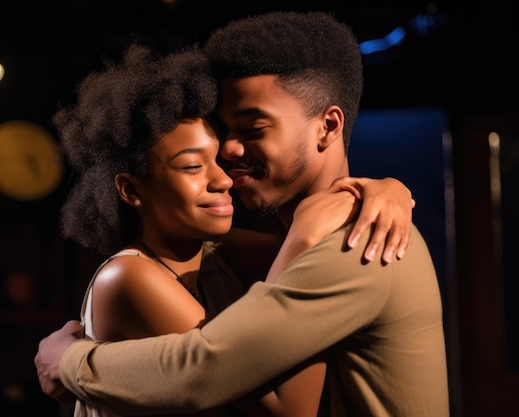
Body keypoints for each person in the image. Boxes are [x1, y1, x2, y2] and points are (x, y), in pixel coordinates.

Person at [36, 10, 448, 417]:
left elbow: (207, 367)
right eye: (225, 134)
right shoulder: (252, 250)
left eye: (252, 129)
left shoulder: (356, 242)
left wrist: (72, 361)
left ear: (328, 126)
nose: (230, 154)